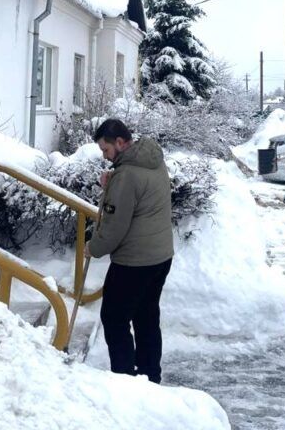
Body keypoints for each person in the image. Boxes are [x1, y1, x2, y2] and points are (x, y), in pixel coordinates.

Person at [85, 119, 174, 383]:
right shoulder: (152, 160)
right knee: (146, 317)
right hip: (160, 257)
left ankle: (125, 381)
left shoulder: (125, 175)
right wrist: (112, 185)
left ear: (120, 143)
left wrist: (93, 248)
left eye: (106, 149)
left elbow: (115, 226)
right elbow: (138, 196)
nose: (105, 156)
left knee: (114, 319)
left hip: (134, 262)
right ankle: (150, 376)